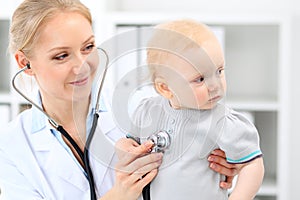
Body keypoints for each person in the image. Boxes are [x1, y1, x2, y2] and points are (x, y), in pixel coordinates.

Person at [0, 0, 238, 199]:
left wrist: (221, 163)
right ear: (25, 63)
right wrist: (120, 194)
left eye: (88, 47)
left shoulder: (149, 106)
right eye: (62, 56)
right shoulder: (13, 147)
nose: (82, 67)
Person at [120, 19, 265, 200]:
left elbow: (252, 165)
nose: (215, 85)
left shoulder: (223, 121)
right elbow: (131, 144)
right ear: (165, 88)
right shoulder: (148, 110)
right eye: (200, 79)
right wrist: (125, 147)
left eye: (219, 71)